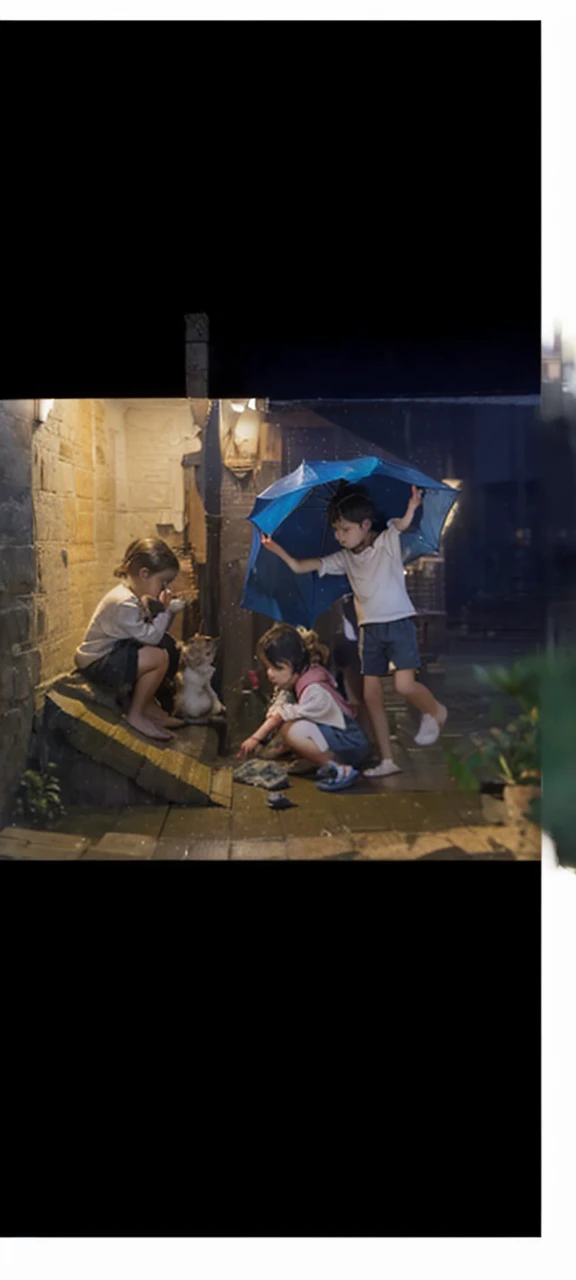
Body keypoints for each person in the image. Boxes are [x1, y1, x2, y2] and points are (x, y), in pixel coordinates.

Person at [260, 483, 447, 778]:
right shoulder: (345, 558)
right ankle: (388, 759)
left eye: (344, 529)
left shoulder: (388, 540)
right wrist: (275, 549)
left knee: (403, 686)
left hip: (398, 623)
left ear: (365, 524)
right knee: (372, 696)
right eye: (336, 530)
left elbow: (404, 524)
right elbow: (299, 566)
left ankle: (437, 711)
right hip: (368, 631)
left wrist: (412, 506)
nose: (339, 536)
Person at [74, 537, 187, 741]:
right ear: (144, 574)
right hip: (97, 661)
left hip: (114, 651)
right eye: (163, 582)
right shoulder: (123, 602)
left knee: (168, 646)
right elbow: (150, 637)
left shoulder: (131, 594)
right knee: (158, 657)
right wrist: (166, 611)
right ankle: (136, 714)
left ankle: (149, 707)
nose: (165, 589)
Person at [237, 623, 371, 791]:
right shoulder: (300, 678)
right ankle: (323, 761)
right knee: (290, 729)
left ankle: (340, 768)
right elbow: (281, 704)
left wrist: (255, 738)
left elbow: (282, 714)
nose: (270, 674)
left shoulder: (314, 689)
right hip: (340, 740)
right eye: (268, 667)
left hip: (350, 743)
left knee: (291, 730)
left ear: (294, 664)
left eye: (276, 668)